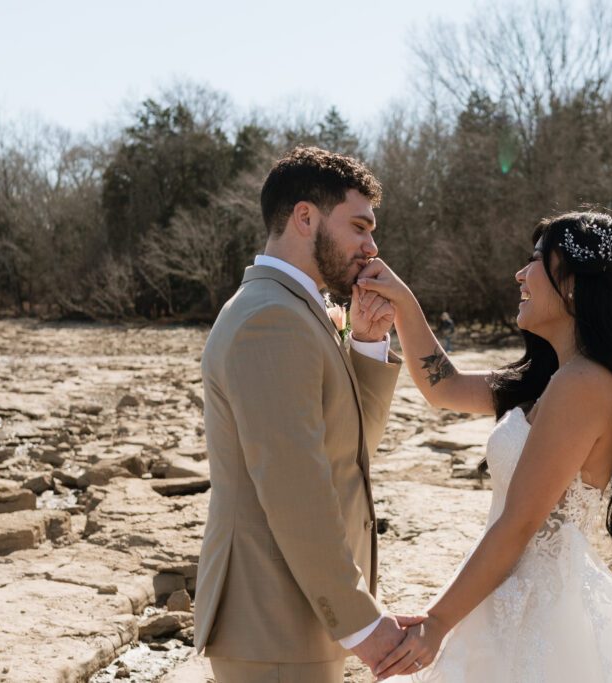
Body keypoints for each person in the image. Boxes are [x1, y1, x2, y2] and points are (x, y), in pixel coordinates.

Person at [356, 211, 612, 682]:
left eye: (536, 260)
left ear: (575, 284)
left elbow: (520, 522)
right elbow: (446, 388)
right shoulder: (553, 380)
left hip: (541, 611)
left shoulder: (584, 385)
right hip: (507, 589)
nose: (520, 274)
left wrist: (436, 624)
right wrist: (401, 302)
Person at [193, 147, 412, 682]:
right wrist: (362, 621)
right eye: (359, 226)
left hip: (296, 619)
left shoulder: (293, 307)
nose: (371, 244)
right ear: (305, 217)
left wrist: (364, 344)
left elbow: (345, 457)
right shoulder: (271, 318)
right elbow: (296, 492)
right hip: (273, 622)